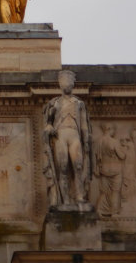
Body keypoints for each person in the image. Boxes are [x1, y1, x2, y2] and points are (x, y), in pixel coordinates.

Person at [42, 70, 92, 209]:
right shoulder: (54, 103)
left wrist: (86, 141)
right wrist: (48, 128)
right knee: (62, 167)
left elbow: (83, 125)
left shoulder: (79, 103)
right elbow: (48, 124)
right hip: (60, 135)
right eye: (64, 82)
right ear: (60, 84)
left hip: (74, 135)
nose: (67, 85)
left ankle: (80, 197)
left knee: (78, 165)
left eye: (69, 82)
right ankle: (65, 201)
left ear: (72, 84)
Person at [95, 122, 126, 216]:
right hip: (115, 170)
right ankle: (114, 212)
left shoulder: (99, 141)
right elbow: (122, 156)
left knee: (103, 192)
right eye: (113, 129)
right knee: (115, 192)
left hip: (103, 170)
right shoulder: (114, 141)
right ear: (109, 129)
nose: (114, 132)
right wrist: (124, 148)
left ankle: (99, 210)